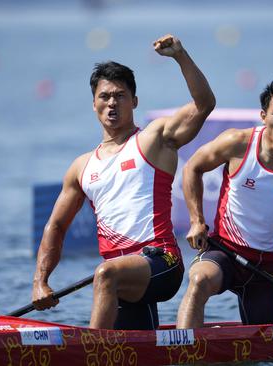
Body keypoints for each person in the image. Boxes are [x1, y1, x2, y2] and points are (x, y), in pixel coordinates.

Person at [31, 34, 215, 330]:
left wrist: (180, 56)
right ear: (93, 104)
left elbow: (204, 104)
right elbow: (56, 226)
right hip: (121, 276)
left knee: (105, 274)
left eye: (120, 96)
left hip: (162, 262)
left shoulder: (154, 139)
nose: (112, 103)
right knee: (131, 347)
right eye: (105, 96)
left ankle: (90, 353)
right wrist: (40, 282)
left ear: (134, 101)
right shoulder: (81, 166)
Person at [176, 80, 273, 329]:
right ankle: (182, 352)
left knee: (269, 353)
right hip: (224, 252)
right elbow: (192, 168)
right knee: (198, 281)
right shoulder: (237, 143)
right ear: (264, 116)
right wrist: (197, 221)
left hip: (264, 266)